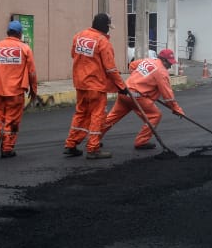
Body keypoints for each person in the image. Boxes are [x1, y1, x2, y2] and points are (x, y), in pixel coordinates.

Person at [95, 48, 184, 153]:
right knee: (155, 115)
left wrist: (138, 78)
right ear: (164, 60)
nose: (170, 66)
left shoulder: (148, 61)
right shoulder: (162, 72)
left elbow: (132, 65)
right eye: (170, 63)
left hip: (125, 92)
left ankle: (94, 139)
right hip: (137, 97)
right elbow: (168, 96)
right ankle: (141, 141)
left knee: (111, 118)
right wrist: (176, 109)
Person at [64, 13, 127, 159]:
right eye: (108, 27)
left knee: (80, 113)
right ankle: (93, 148)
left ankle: (71, 144)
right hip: (96, 85)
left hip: (80, 83)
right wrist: (121, 86)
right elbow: (111, 68)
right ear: (105, 26)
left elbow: (73, 55)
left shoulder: (78, 36)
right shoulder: (102, 41)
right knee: (97, 116)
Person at [0, 19, 37, 158]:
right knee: (12, 120)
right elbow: (32, 72)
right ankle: (7, 149)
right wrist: (34, 89)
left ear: (8, 32)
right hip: (16, 92)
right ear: (20, 34)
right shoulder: (25, 49)